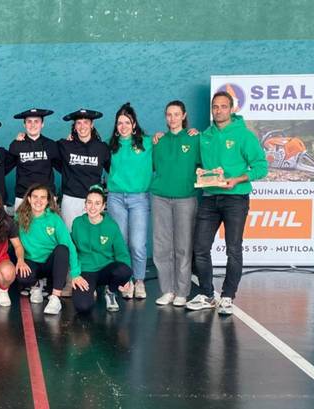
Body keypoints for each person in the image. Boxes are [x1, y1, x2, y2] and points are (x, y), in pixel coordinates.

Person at [186, 91, 268, 315]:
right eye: (215, 106)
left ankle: (228, 296)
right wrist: (199, 171)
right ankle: (207, 294)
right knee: (200, 248)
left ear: (232, 109)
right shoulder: (205, 136)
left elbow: (261, 167)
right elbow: (198, 164)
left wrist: (238, 179)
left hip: (236, 198)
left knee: (233, 249)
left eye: (223, 106)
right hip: (209, 198)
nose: (219, 110)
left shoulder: (244, 135)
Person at [151, 101, 201, 307]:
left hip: (185, 198)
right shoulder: (158, 141)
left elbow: (205, 165)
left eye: (176, 114)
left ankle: (182, 291)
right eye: (169, 114)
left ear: (184, 115)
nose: (172, 118)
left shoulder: (194, 138)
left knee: (183, 247)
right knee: (162, 247)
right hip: (160, 198)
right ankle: (167, 290)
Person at [106, 103, 152, 299]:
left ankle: (139, 280)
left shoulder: (148, 143)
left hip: (139, 199)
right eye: (120, 123)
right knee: (121, 243)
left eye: (127, 122)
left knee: (137, 244)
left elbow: (168, 145)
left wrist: (190, 132)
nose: (123, 126)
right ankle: (126, 281)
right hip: (115, 198)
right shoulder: (111, 146)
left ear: (134, 125)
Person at [16, 183, 80, 315]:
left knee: (62, 249)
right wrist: (19, 260)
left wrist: (75, 273)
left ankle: (55, 298)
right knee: (21, 276)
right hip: (31, 262)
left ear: (47, 201)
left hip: (50, 264)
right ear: (29, 199)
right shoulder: (19, 217)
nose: (38, 201)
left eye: (42, 197)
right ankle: (35, 286)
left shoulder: (54, 219)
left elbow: (69, 245)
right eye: (35, 197)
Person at [70, 185, 132, 313]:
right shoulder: (77, 223)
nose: (92, 207)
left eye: (97, 203)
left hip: (106, 269)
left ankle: (110, 292)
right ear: (85, 204)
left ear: (103, 206)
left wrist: (127, 279)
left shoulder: (111, 225)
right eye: (89, 202)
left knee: (125, 271)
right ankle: (92, 288)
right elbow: (72, 250)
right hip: (86, 270)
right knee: (83, 306)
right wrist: (75, 274)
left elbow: (122, 253)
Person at [57, 109, 111, 230]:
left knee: (93, 235)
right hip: (71, 199)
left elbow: (112, 170)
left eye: (86, 122)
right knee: (71, 235)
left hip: (93, 200)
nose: (82, 126)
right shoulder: (65, 145)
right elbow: (52, 160)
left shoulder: (102, 148)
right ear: (74, 126)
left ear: (92, 125)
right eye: (79, 123)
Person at [8, 108, 60, 210]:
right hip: (23, 196)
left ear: (42, 124)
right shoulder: (16, 145)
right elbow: (5, 166)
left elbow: (63, 167)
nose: (33, 125)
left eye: (36, 121)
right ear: (24, 124)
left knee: (49, 221)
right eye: (29, 121)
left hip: (47, 196)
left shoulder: (51, 145)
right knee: (22, 221)